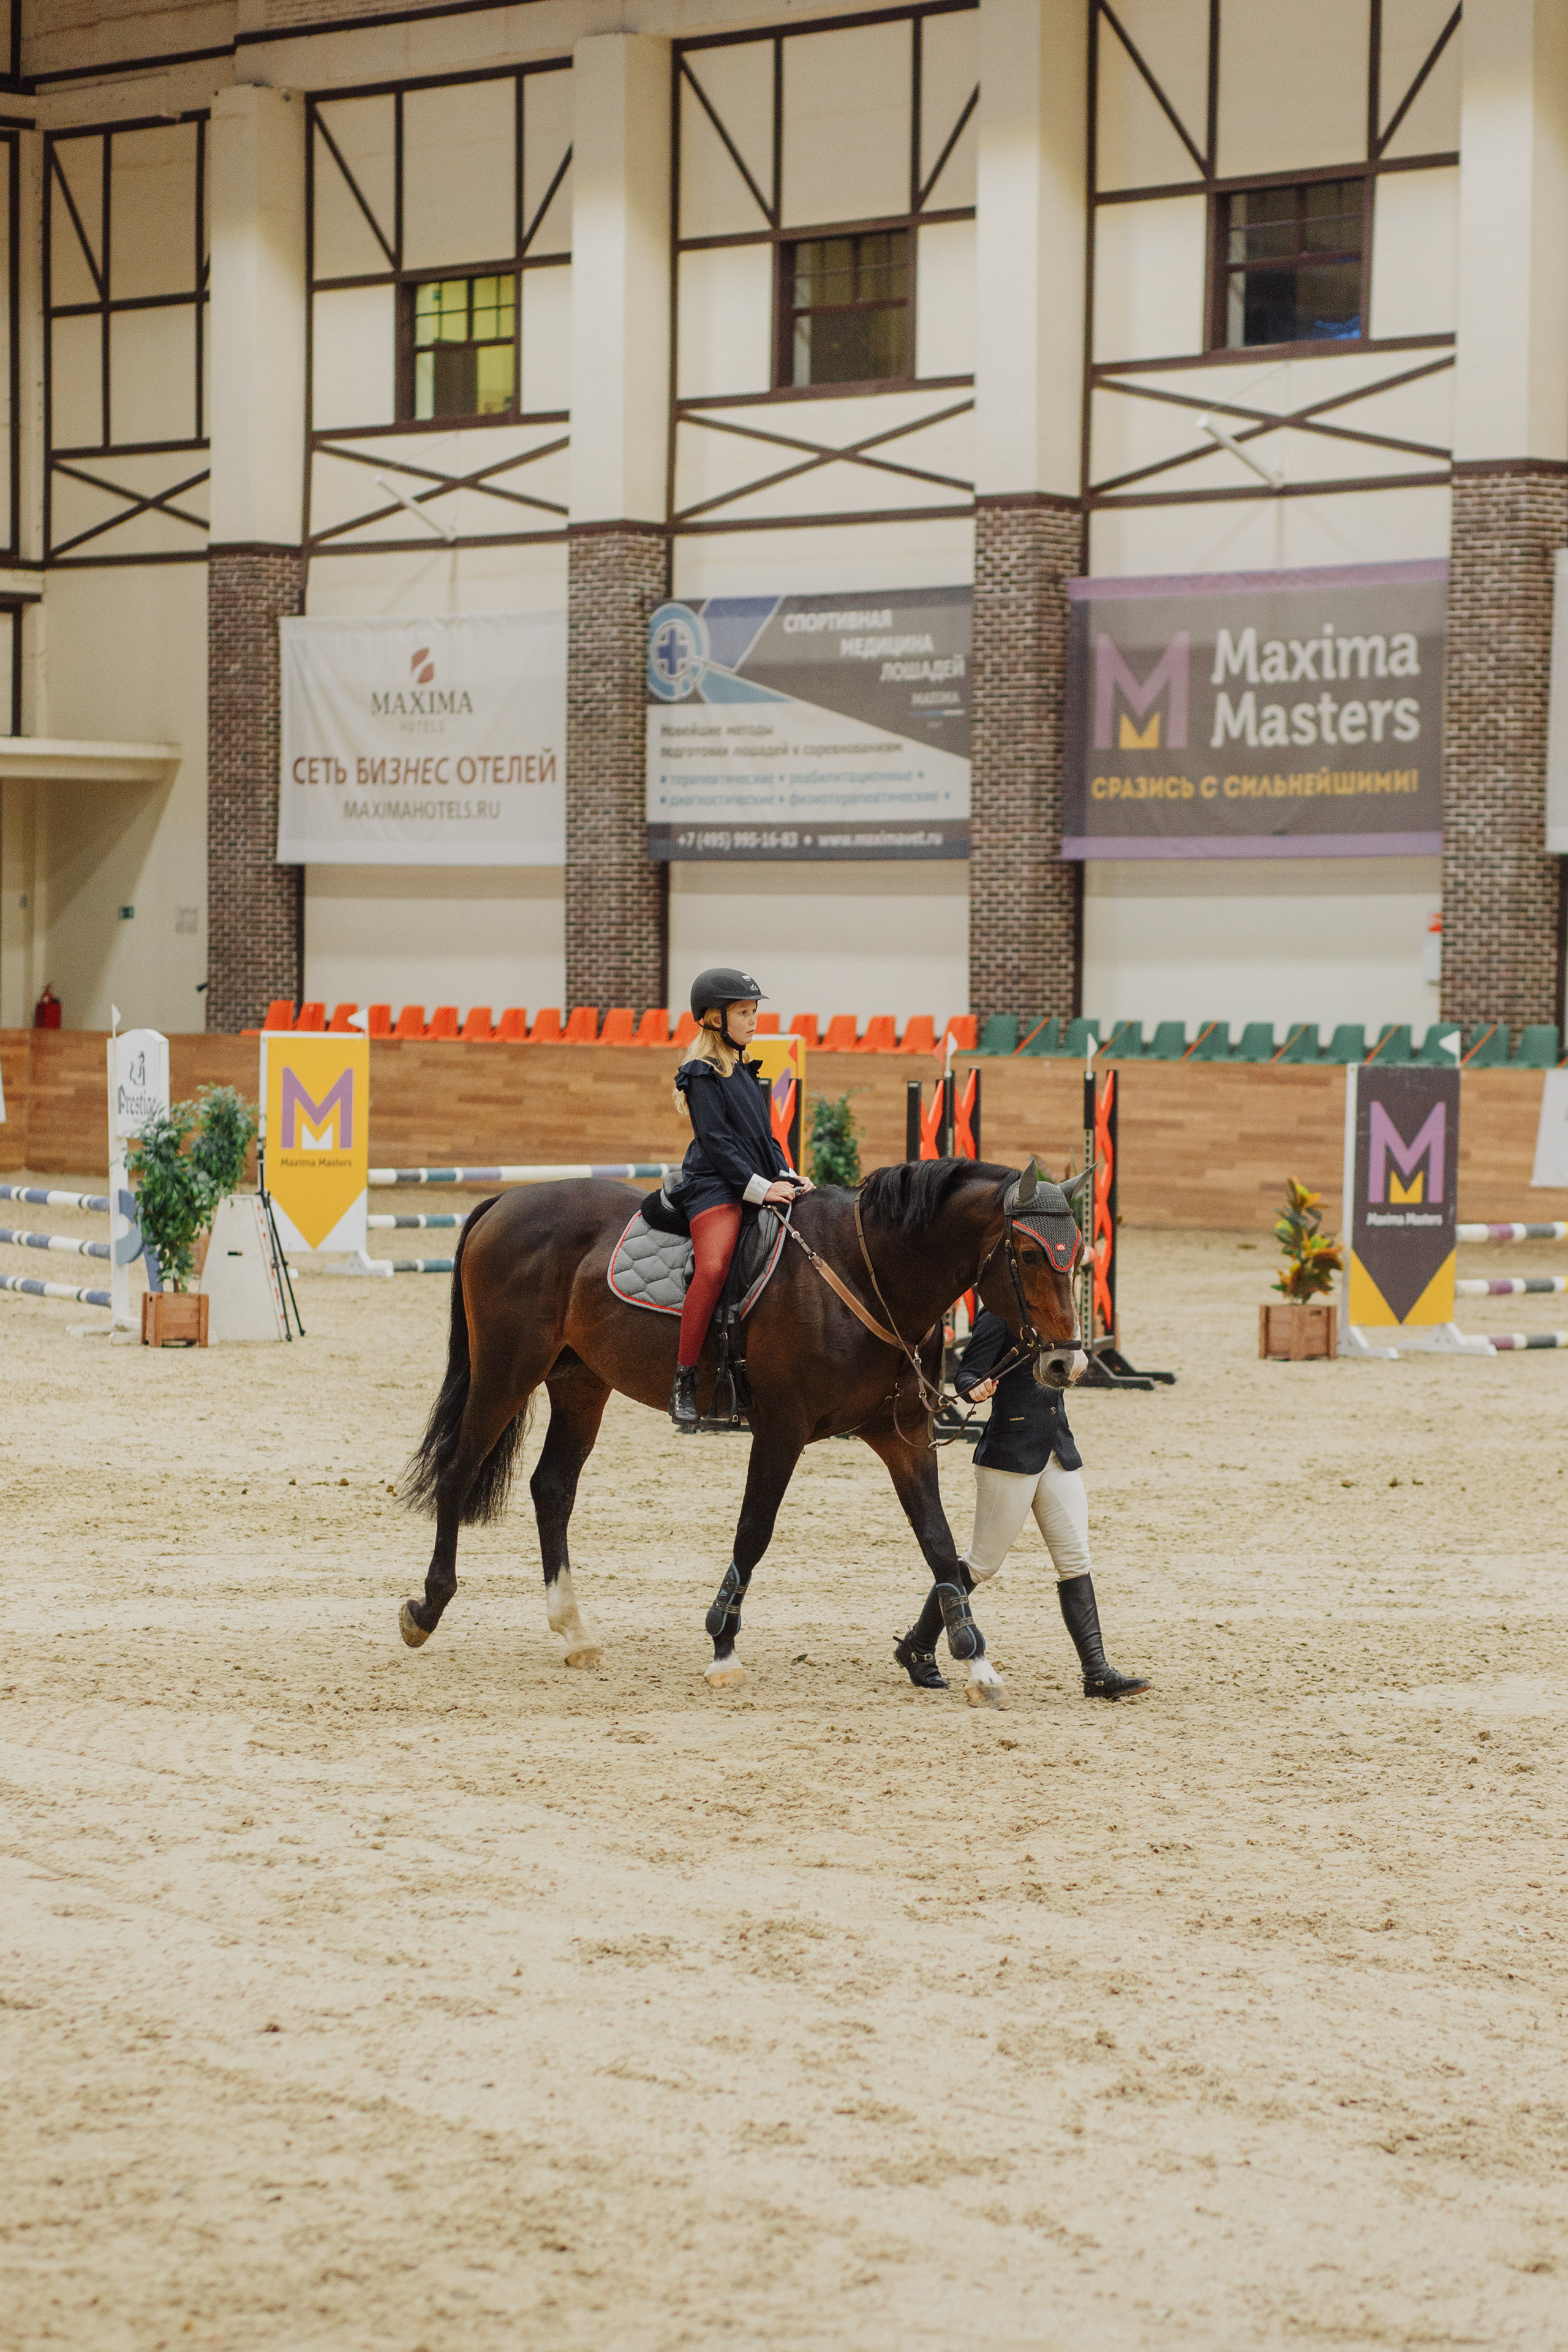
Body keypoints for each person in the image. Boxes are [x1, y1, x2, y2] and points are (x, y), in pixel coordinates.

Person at [894, 1306, 1149, 1698]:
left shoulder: (1057, 1312)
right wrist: (975, 1386)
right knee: (981, 1564)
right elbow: (965, 1373)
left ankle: (1096, 1672)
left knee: (1076, 1560)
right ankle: (918, 1645)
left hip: (1057, 1449)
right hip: (1009, 1455)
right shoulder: (999, 1315)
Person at [668, 968, 810, 1432]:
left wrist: (788, 1175)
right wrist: (761, 1188)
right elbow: (717, 1143)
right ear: (712, 1019)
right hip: (714, 1185)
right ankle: (685, 1377)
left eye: (755, 1012)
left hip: (752, 1179)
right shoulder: (701, 1074)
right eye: (744, 1013)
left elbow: (763, 1140)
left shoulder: (745, 1071)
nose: (754, 1022)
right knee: (712, 1268)